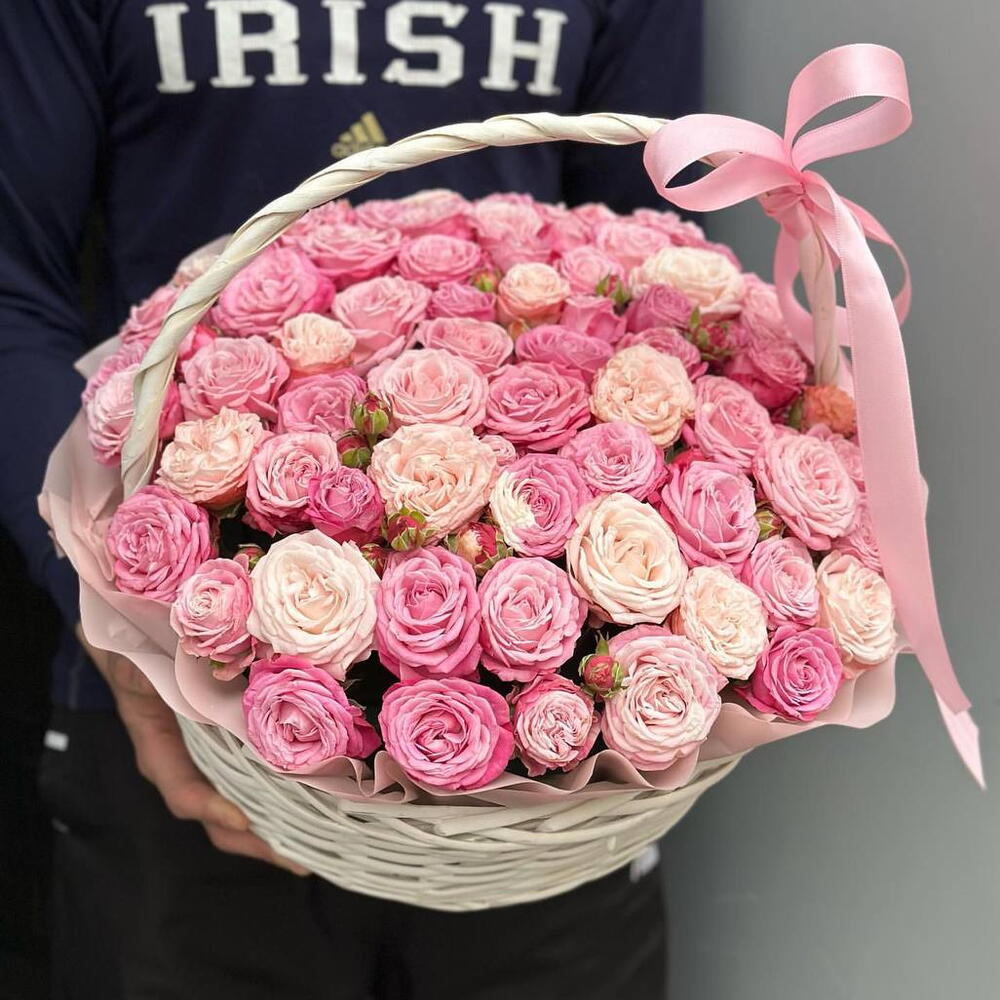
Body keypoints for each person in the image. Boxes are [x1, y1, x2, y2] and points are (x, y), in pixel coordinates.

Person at [0, 2, 702, 997]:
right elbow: (10, 287)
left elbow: (652, 272)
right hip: (170, 705)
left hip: (548, 789)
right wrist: (105, 612)